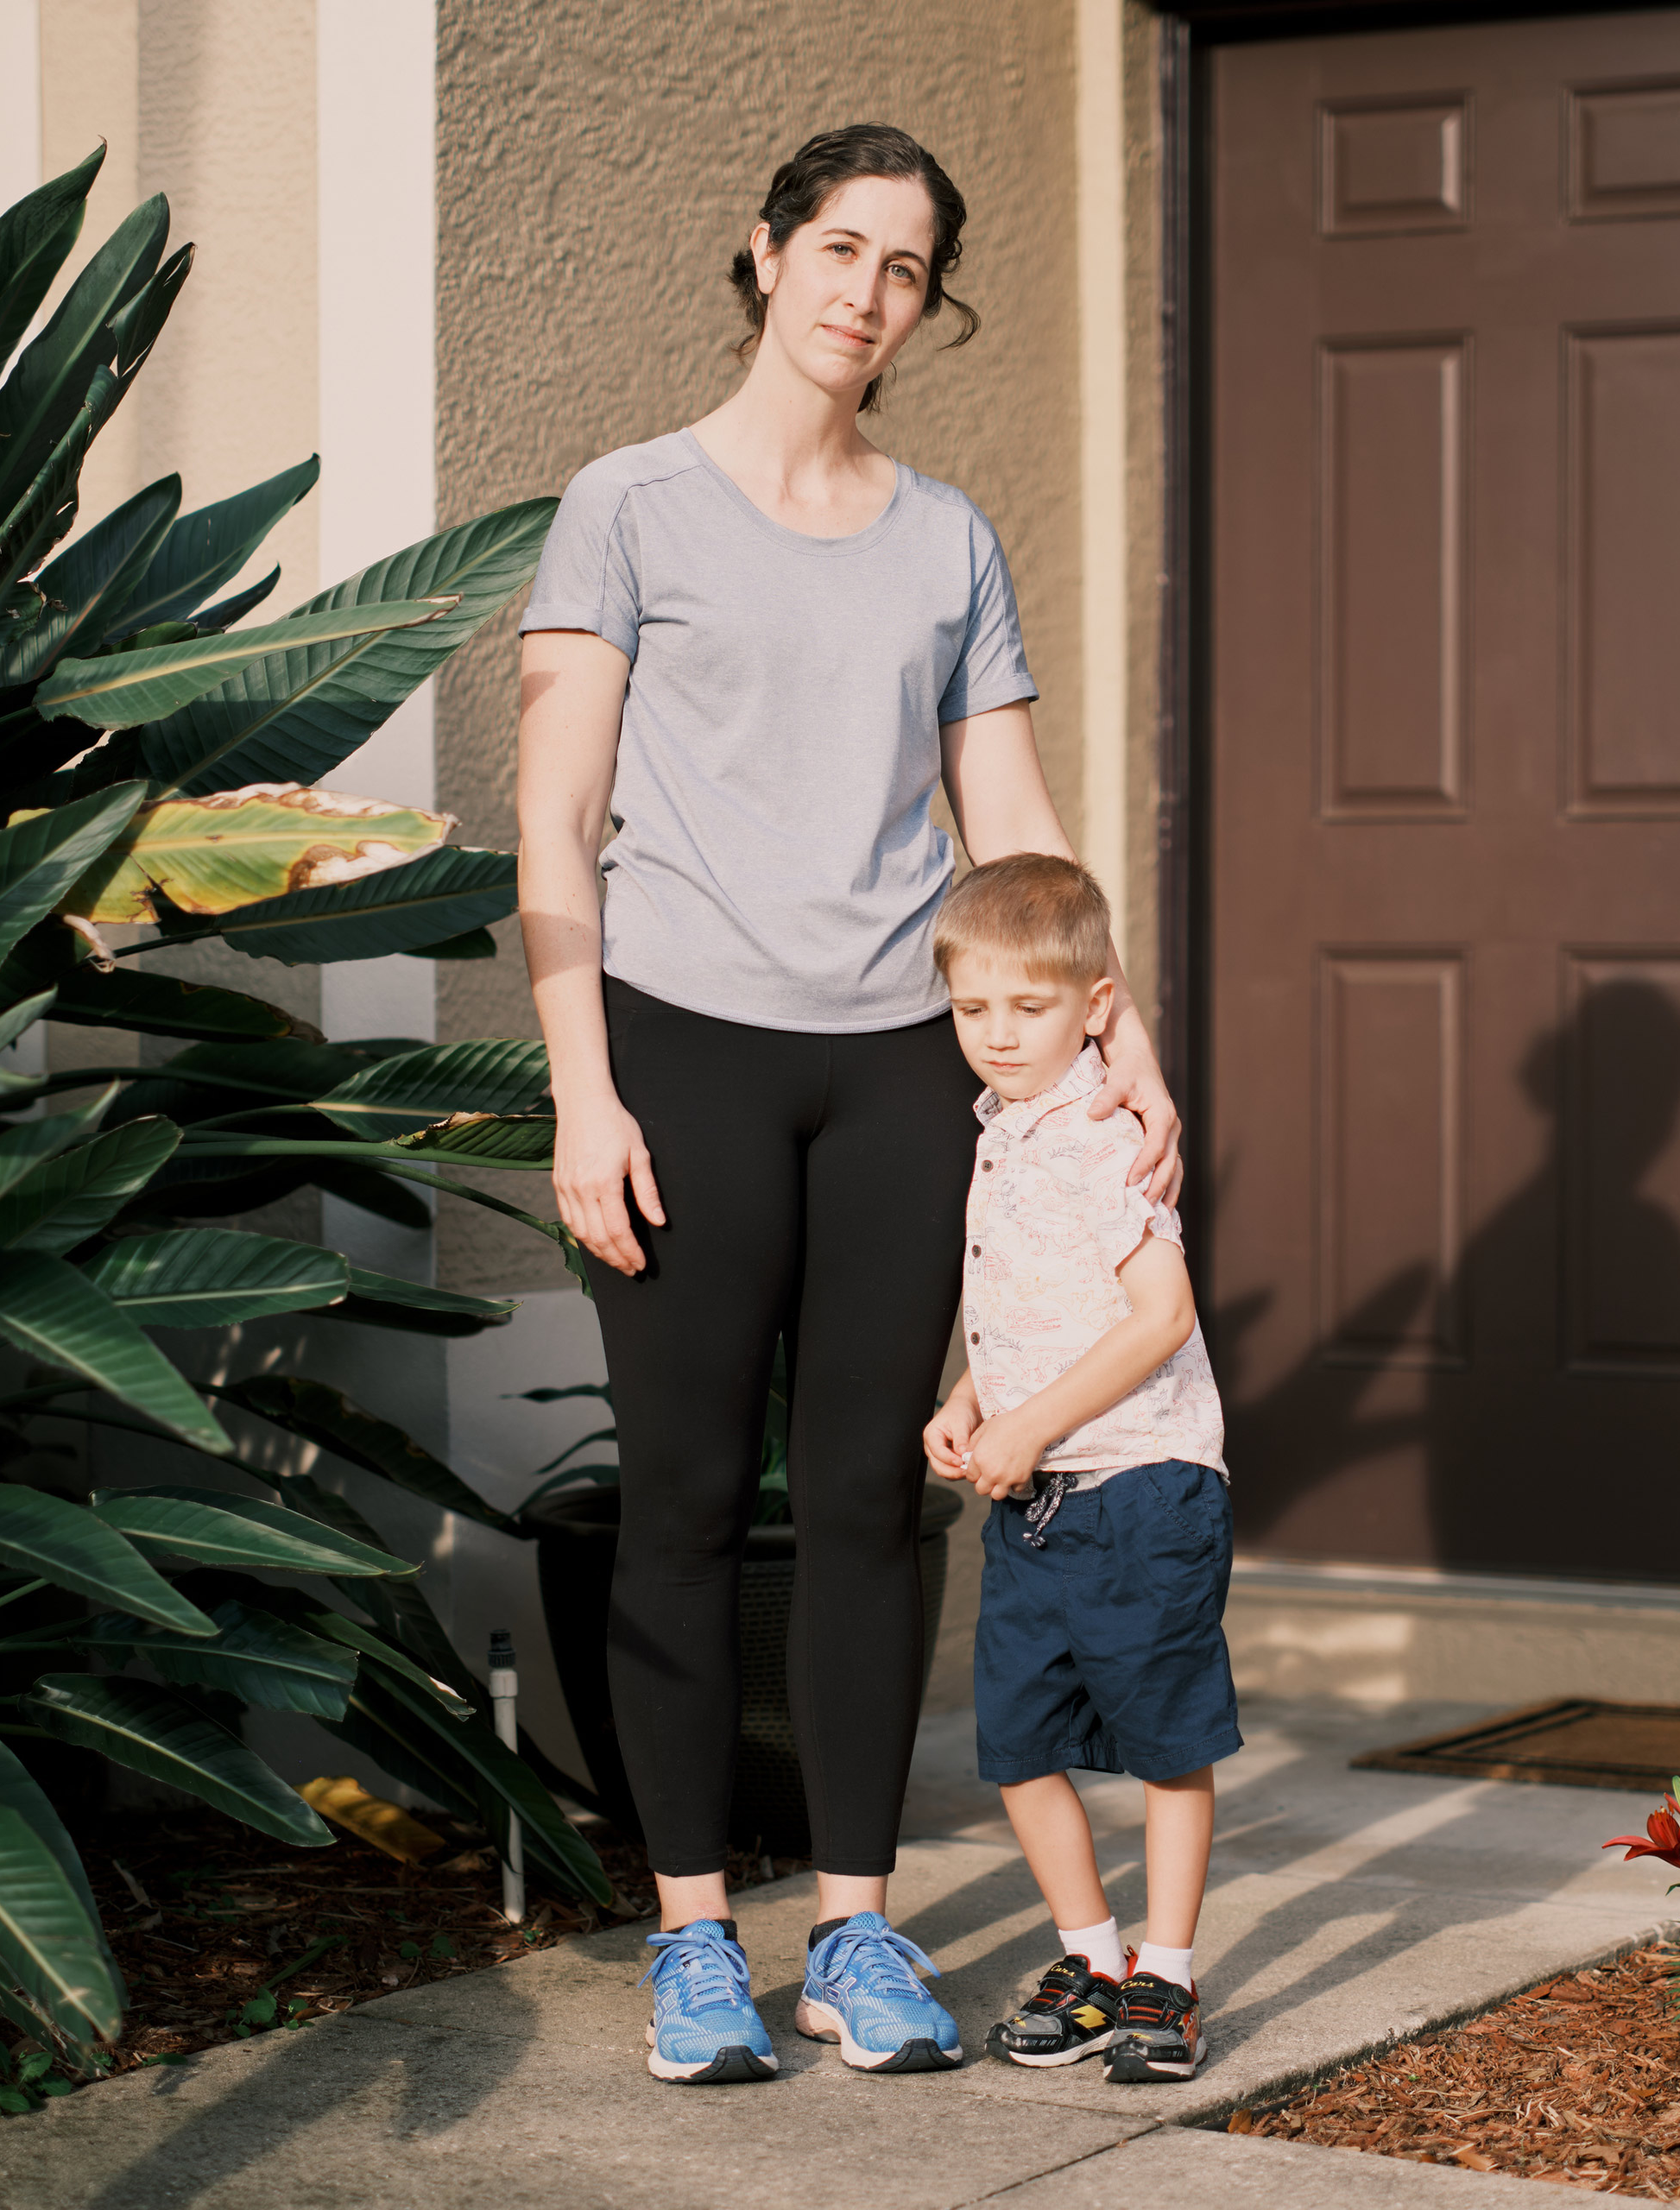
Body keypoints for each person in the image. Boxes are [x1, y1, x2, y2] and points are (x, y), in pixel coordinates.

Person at [515, 125, 1181, 2087]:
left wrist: (1120, 1031)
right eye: (836, 245)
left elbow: (1017, 827)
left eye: (903, 265)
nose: (863, 289)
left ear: (920, 306)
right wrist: (581, 1090)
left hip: (901, 1072)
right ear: (765, 251)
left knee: (883, 1496)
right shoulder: (625, 507)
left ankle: (860, 1931)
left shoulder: (947, 538)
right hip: (683, 1049)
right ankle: (696, 1938)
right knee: (689, 1500)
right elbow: (554, 826)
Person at [921, 854, 1235, 2086]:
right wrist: (972, 1400)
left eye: (1029, 1008)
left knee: (1166, 1742)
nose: (997, 1035)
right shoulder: (1004, 1127)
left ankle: (1169, 1973)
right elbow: (1036, 1302)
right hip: (1041, 1494)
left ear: (1096, 1006)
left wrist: (1030, 1423)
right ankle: (1092, 1962)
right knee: (1016, 1742)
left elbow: (1160, 1315)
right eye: (973, 1009)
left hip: (1143, 1488)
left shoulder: (1101, 1132)